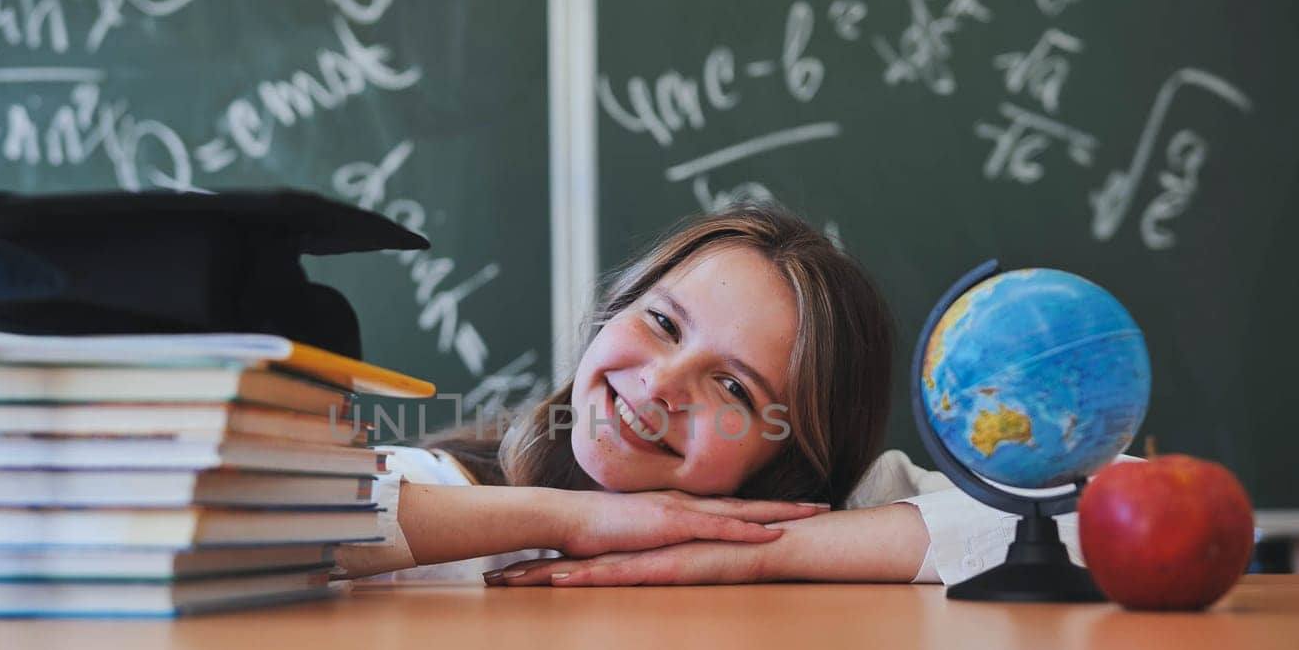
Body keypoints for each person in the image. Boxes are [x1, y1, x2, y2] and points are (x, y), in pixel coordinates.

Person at [335, 202, 1087, 587]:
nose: (661, 384)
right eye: (661, 322)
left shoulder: (832, 510)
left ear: (792, 458)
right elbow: (242, 517)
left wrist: (757, 554)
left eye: (732, 385)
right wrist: (574, 516)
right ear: (612, 314)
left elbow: (1090, 517)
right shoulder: (455, 493)